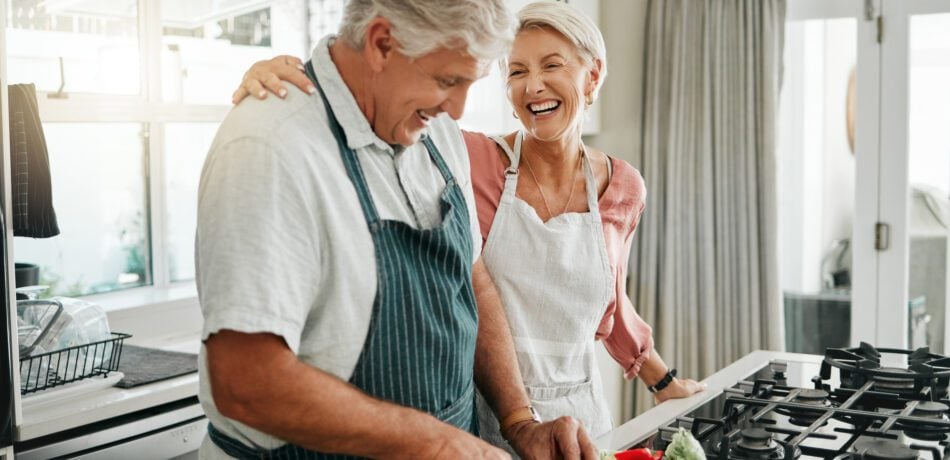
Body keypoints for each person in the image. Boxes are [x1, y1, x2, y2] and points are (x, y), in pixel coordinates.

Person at [233, 1, 705, 456]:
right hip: (483, 420)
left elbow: (610, 300)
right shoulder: (469, 156)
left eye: (552, 66)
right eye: (516, 72)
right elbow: (375, 104)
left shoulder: (623, 186)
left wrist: (662, 382)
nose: (533, 85)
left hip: (582, 422)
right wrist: (289, 75)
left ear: (593, 75)